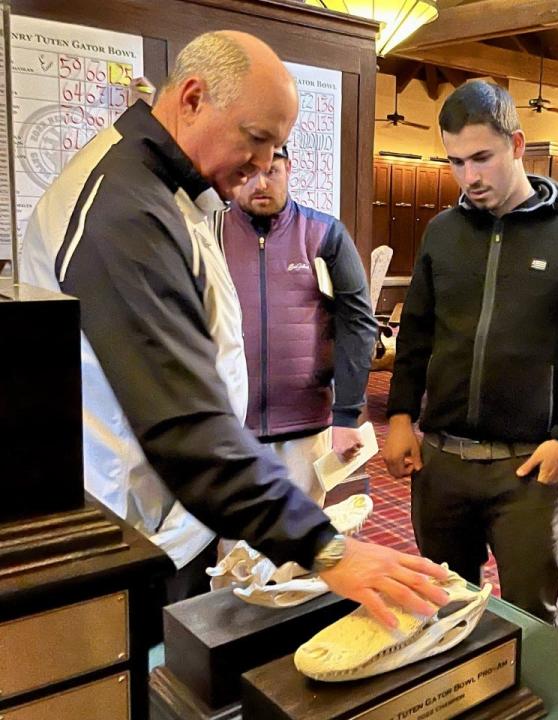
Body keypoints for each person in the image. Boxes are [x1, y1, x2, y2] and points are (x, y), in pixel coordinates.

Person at [19, 30, 448, 627]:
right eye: (256, 139)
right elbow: (181, 421)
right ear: (192, 98)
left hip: (177, 513)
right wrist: (324, 547)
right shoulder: (125, 209)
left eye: (277, 148)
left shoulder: (170, 188)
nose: (265, 165)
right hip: (134, 526)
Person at [383, 80, 558, 626]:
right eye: (456, 162)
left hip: (528, 468)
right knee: (441, 607)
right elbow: (416, 334)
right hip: (440, 463)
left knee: (532, 618)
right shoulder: (443, 233)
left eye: (482, 158)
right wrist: (398, 416)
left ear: (516, 145)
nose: (470, 177)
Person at [218, 144, 378, 504]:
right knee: (233, 552)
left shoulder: (324, 234)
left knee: (301, 550)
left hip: (304, 427)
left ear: (289, 168)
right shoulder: (210, 234)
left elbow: (358, 324)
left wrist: (347, 415)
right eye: (248, 172)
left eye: (271, 171)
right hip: (229, 428)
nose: (260, 183)